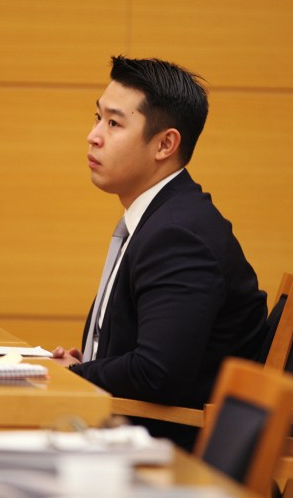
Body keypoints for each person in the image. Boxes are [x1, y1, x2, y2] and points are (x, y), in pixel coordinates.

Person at [52, 55, 267, 449]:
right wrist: (90, 366)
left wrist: (77, 375)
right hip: (130, 431)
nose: (93, 135)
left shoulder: (178, 235)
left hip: (169, 454)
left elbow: (157, 372)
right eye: (97, 117)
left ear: (165, 144)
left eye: (114, 123)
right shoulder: (165, 217)